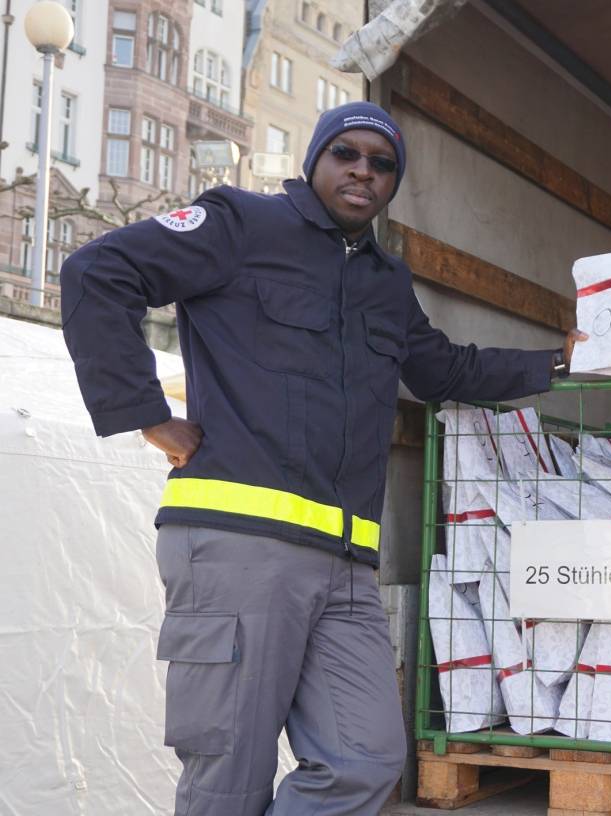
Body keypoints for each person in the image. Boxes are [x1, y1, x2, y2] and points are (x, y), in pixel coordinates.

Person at [59, 101, 584, 816]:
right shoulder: (241, 226)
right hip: (238, 547)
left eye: (383, 163)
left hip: (344, 568)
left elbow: (445, 371)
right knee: (228, 778)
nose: (364, 171)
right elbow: (97, 271)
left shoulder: (385, 283)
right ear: (316, 161)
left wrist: (557, 362)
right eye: (348, 154)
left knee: (366, 760)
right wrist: (146, 415)